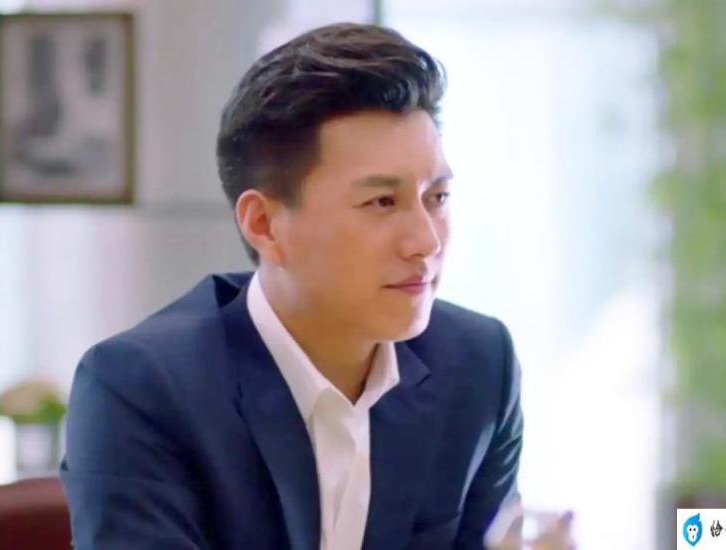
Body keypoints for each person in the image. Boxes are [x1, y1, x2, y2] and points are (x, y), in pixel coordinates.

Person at [62, 22, 530, 549]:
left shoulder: (477, 367)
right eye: (381, 202)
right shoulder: (141, 389)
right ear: (264, 225)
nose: (426, 240)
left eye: (437, 198)